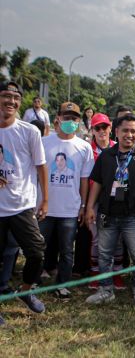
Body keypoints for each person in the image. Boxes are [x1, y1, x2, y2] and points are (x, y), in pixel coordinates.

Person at [85, 114, 135, 308]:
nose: (129, 134)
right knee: (104, 254)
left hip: (133, 215)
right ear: (116, 132)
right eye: (125, 130)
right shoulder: (106, 156)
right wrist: (90, 207)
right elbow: (98, 183)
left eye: (134, 131)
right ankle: (106, 290)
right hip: (108, 214)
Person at [0, 81, 48, 325]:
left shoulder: (29, 131)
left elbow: (41, 166)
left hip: (22, 205)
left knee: (36, 251)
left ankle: (26, 289)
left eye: (15, 97)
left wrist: (45, 200)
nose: (11, 101)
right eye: (6, 96)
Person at [39, 102, 94, 300]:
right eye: (66, 117)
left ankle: (62, 285)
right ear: (58, 118)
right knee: (38, 247)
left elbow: (84, 180)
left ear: (79, 121)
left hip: (70, 209)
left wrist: (83, 205)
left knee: (66, 250)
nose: (70, 121)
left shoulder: (84, 147)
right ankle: (33, 280)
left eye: (74, 118)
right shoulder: (43, 142)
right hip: (44, 207)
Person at [86, 113, 126, 290]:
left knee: (117, 239)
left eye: (105, 127)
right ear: (92, 130)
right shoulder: (87, 149)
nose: (102, 131)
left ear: (111, 128)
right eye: (97, 128)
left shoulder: (120, 148)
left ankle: (116, 275)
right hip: (94, 199)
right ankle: (96, 275)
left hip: (116, 198)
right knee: (96, 239)